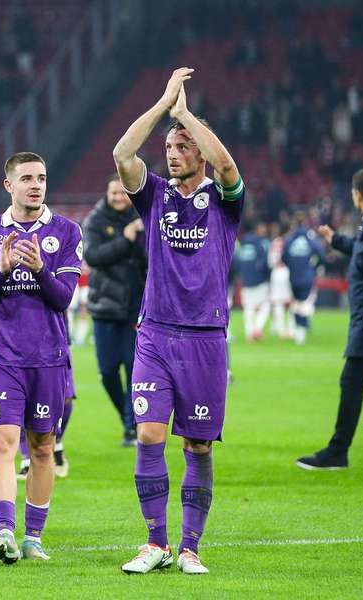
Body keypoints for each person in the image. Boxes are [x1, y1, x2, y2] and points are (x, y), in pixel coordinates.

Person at [112, 68, 244, 575]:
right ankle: (155, 543)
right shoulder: (155, 196)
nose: (174, 152)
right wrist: (164, 104)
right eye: (170, 145)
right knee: (148, 434)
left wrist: (187, 115)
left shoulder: (224, 202)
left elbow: (228, 166)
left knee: (197, 444)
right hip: (156, 335)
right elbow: (124, 155)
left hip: (206, 339)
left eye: (184, 145)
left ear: (201, 153)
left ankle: (190, 547)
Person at [0, 152, 83, 564]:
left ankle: (34, 538)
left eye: (42, 178)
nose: (36, 184)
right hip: (1, 359)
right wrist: (2, 271)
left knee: (44, 447)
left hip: (48, 359)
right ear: (8, 185)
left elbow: (64, 298)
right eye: (27, 178)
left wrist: (41, 270)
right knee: (2, 444)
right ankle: (5, 532)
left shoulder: (67, 232)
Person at [297, 167, 363, 470]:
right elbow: (362, 251)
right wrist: (335, 239)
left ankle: (337, 451)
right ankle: (338, 450)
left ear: (357, 194)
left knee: (351, 381)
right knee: (353, 381)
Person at [82, 173, 147, 447]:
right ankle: (127, 418)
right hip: (105, 307)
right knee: (108, 371)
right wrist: (126, 238)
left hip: (135, 307)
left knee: (134, 369)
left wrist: (139, 235)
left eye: (123, 193)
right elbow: (93, 257)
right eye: (114, 194)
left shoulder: (144, 217)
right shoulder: (95, 221)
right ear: (107, 195)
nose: (119, 198)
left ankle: (132, 428)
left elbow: (151, 259)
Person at [282, 213, 326, 344]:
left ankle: (298, 330)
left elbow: (284, 257)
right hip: (307, 276)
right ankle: (301, 332)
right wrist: (314, 267)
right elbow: (322, 255)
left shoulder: (289, 239)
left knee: (296, 302)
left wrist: (293, 266)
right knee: (304, 303)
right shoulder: (309, 238)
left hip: (294, 276)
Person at [234, 221, 271, 341]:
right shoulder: (260, 244)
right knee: (265, 306)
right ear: (257, 229)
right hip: (259, 281)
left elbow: (237, 262)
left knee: (248, 309)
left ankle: (249, 334)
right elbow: (265, 263)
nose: (264, 230)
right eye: (262, 227)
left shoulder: (242, 244)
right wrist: (266, 277)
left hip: (246, 281)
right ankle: (257, 329)